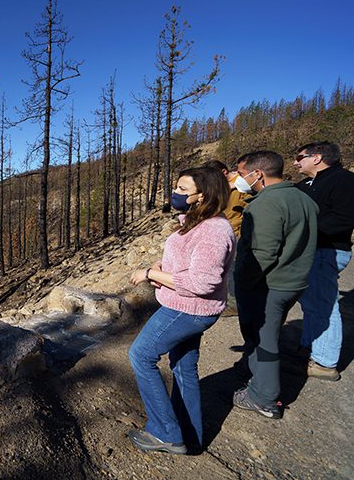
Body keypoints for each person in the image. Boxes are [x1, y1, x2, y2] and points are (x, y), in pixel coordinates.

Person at [127, 167, 235, 454]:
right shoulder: (196, 222)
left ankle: (165, 432)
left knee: (140, 355)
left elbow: (203, 281)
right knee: (184, 366)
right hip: (187, 306)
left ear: (203, 195)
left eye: (182, 189)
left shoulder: (213, 230)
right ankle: (190, 435)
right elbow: (190, 264)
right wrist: (162, 269)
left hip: (187, 309)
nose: (175, 193)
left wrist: (151, 273)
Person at [231, 151, 317, 419]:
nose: (238, 178)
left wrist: (241, 283)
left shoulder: (265, 204)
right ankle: (254, 369)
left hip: (271, 285)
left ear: (258, 174)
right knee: (266, 333)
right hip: (295, 280)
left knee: (265, 338)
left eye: (241, 172)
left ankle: (263, 397)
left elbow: (261, 254)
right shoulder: (303, 197)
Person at [293, 141, 354, 381]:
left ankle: (324, 362)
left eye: (300, 157)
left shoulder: (344, 181)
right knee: (311, 302)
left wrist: (303, 231)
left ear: (317, 157)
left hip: (327, 250)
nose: (296, 162)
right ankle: (309, 346)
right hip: (311, 250)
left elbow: (344, 218)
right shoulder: (307, 183)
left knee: (323, 304)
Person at [204, 159, 250, 317]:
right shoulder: (224, 186)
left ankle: (234, 304)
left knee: (232, 269)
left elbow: (247, 209)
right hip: (224, 231)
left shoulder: (242, 185)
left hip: (237, 232)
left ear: (224, 173)